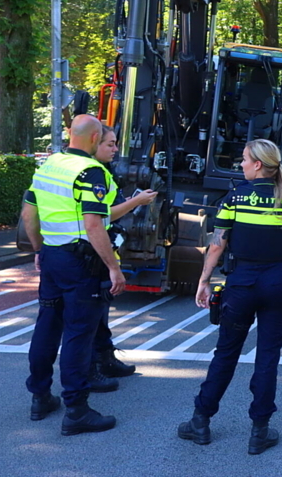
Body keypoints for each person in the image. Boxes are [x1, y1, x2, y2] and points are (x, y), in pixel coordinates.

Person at [178, 139, 282, 455]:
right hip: (277, 284)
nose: (241, 164)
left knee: (225, 353)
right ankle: (259, 431)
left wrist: (204, 280)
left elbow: (217, 244)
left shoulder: (235, 197)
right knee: (268, 357)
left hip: (241, 285)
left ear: (257, 164)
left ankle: (201, 421)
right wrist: (277, 244)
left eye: (244, 159)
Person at [22, 114, 126, 434]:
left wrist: (39, 249)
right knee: (79, 335)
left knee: (47, 326)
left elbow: (28, 214)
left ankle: (40, 397)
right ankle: (77, 410)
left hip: (52, 257)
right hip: (81, 263)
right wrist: (113, 267)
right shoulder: (90, 172)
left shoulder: (49, 164)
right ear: (95, 137)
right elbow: (94, 225)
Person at [91, 126, 157, 381]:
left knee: (100, 310)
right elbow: (100, 216)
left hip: (92, 249)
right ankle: (89, 372)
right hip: (89, 252)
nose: (116, 149)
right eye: (110, 144)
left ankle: (104, 358)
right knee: (89, 315)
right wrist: (134, 202)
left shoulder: (102, 171)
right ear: (94, 143)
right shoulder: (91, 174)